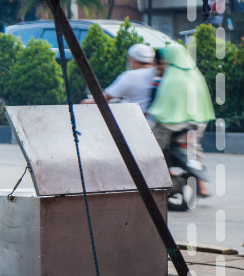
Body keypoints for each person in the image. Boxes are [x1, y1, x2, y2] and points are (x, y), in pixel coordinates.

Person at [148, 43, 215, 197]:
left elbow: (160, 109)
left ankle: (156, 178)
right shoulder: (196, 74)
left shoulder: (172, 76)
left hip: (172, 123)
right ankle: (203, 186)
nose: (162, 63)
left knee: (151, 150)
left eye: (164, 60)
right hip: (198, 122)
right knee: (195, 150)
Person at [81, 43, 157, 112]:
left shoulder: (131, 76)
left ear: (133, 60)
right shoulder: (157, 72)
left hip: (135, 118)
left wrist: (85, 102)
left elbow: (104, 98)